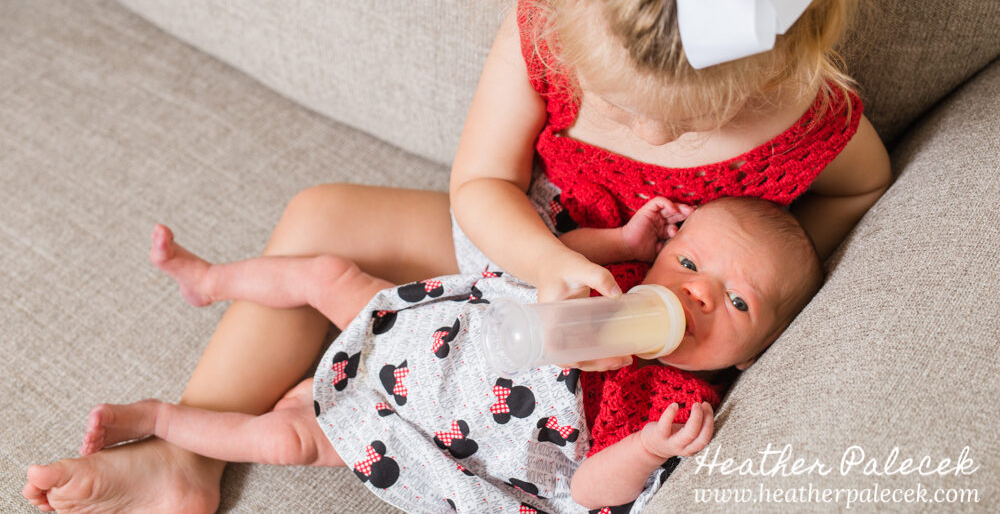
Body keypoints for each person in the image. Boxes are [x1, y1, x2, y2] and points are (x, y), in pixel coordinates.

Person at [23, 0, 891, 511]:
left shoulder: (799, 105)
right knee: (322, 214)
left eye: (694, 122)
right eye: (624, 111)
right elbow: (480, 186)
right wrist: (549, 265)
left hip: (633, 325)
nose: (656, 135)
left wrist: (749, 272)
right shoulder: (544, 30)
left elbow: (859, 188)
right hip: (534, 238)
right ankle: (188, 453)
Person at [71, 197, 822, 512]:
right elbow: (554, 260)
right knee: (327, 273)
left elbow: (591, 489)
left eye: (737, 302)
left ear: (758, 350)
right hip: (426, 333)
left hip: (419, 420)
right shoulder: (619, 283)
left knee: (284, 437)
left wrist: (651, 446)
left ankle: (166, 422)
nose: (696, 296)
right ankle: (211, 280)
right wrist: (620, 243)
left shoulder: (669, 405)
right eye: (690, 266)